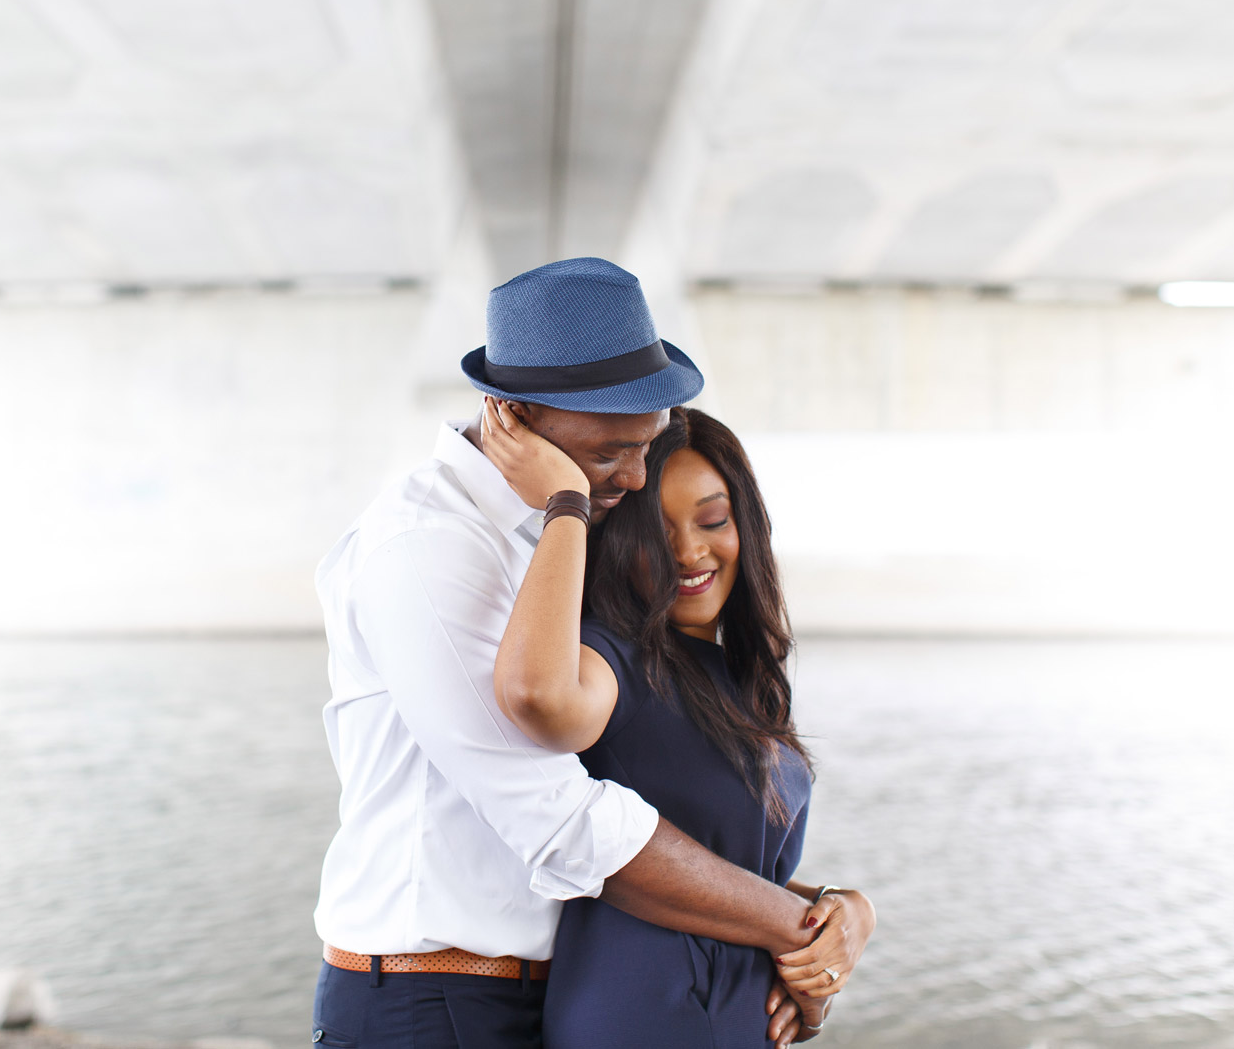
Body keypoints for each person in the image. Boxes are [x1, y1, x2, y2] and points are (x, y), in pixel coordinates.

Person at [311, 258, 872, 1049]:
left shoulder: (558, 539)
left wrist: (839, 910)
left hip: (553, 994)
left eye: (645, 445)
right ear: (511, 413)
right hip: (433, 1000)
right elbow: (565, 824)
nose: (635, 476)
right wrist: (796, 926)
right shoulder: (428, 547)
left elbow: (663, 803)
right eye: (611, 451)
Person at [482, 402, 871, 1046]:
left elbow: (731, 864)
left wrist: (844, 910)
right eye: (658, 533)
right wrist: (567, 504)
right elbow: (540, 699)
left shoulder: (744, 680)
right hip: (643, 1017)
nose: (690, 551)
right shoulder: (613, 657)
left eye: (713, 520)